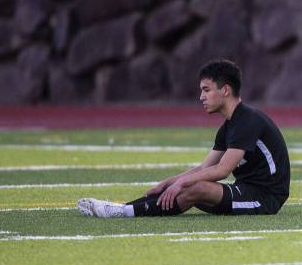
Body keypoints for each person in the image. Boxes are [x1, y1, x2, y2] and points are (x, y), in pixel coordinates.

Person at [78, 59, 291, 217]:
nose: (201, 97)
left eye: (206, 90)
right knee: (190, 185)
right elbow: (203, 168)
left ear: (225, 90)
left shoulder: (248, 120)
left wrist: (180, 184)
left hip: (265, 198)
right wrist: (167, 183)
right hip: (246, 190)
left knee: (196, 188)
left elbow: (221, 171)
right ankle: (121, 208)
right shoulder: (228, 127)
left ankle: (121, 212)